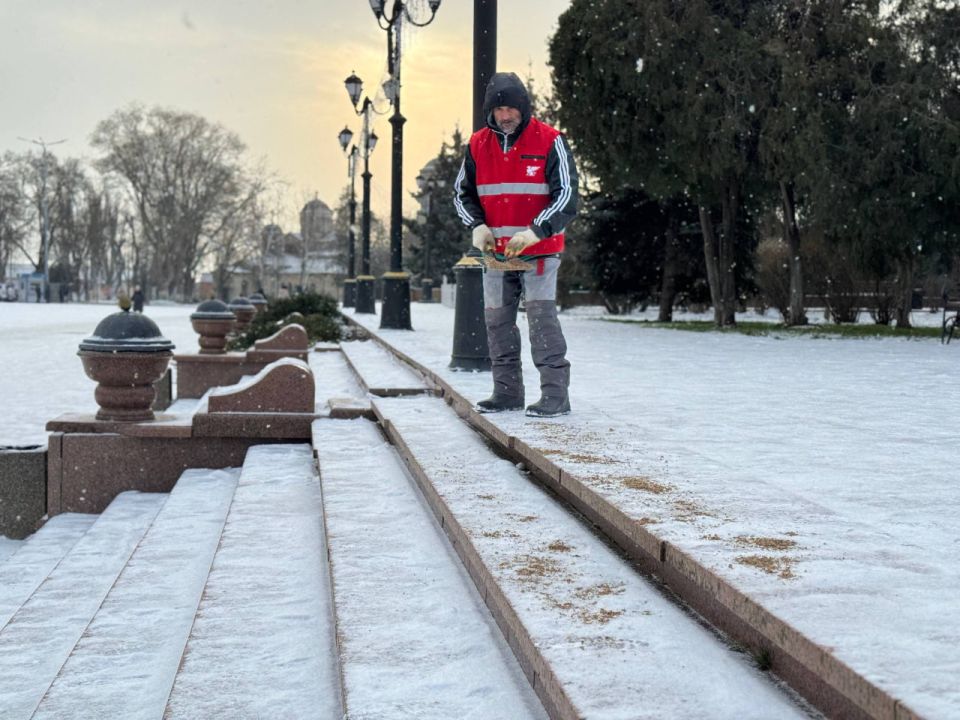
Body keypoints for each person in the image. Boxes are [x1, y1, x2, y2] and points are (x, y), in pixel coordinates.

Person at [454, 71, 579, 418]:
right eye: (498, 111)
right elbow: (462, 194)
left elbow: (567, 196)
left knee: (541, 319)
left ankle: (555, 395)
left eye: (510, 109)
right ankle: (507, 391)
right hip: (497, 252)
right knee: (497, 322)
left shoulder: (551, 141)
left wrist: (536, 231)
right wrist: (477, 226)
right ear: (490, 113)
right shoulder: (478, 145)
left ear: (523, 108)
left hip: (538, 248)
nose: (505, 116)